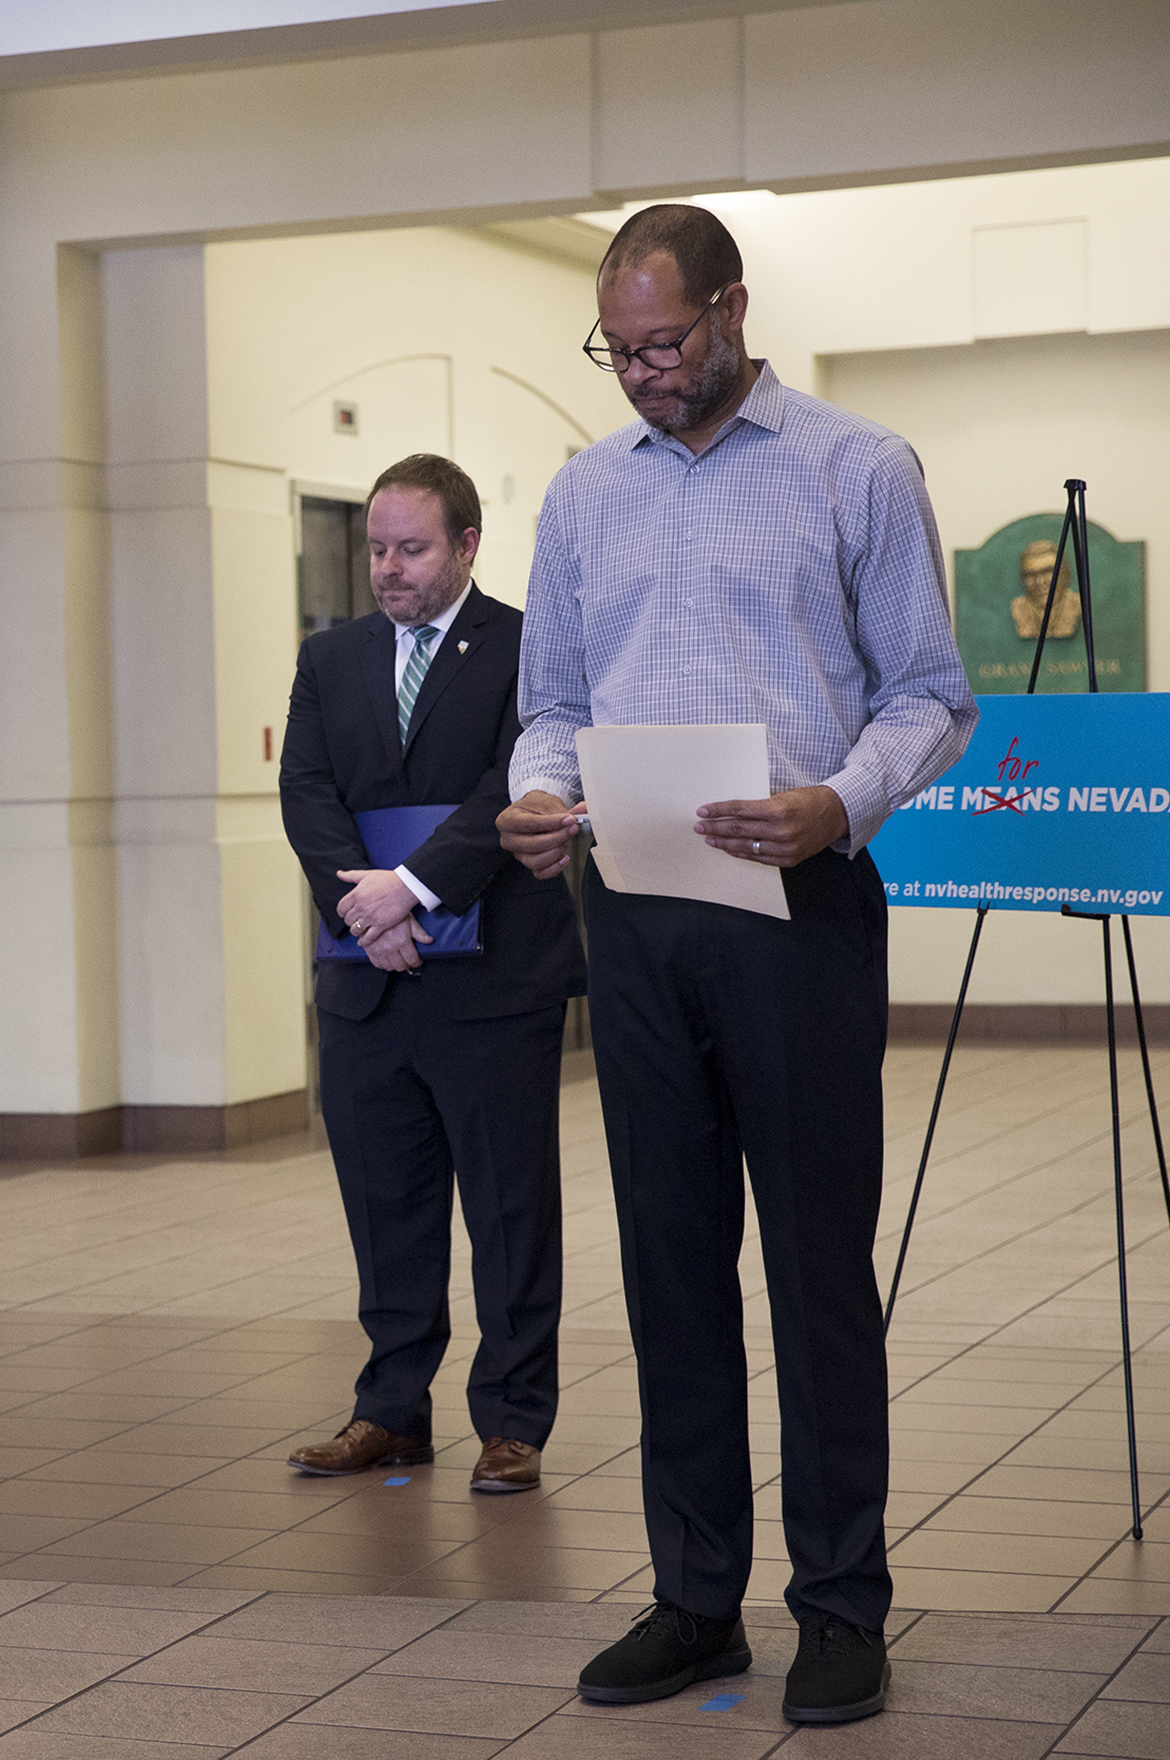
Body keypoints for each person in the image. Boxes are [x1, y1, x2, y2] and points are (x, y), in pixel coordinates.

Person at [497, 206, 976, 1726]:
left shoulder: (859, 467)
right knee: (670, 1269)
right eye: (619, 350)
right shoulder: (581, 499)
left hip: (803, 909)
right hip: (632, 913)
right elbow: (553, 701)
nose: (642, 373)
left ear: (731, 307)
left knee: (818, 1270)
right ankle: (696, 1597)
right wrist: (533, 790)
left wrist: (839, 798)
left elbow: (929, 695)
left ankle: (839, 1604)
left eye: (667, 342)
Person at [278, 453, 586, 1493]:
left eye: (410, 547)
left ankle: (511, 1418)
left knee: (507, 1206)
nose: (387, 568)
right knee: (385, 1198)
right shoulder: (334, 659)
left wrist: (409, 887)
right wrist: (361, 911)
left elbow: (512, 780)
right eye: (375, 547)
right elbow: (306, 791)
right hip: (368, 977)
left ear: (465, 544)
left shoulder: (522, 647)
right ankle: (389, 1409)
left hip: (492, 974)